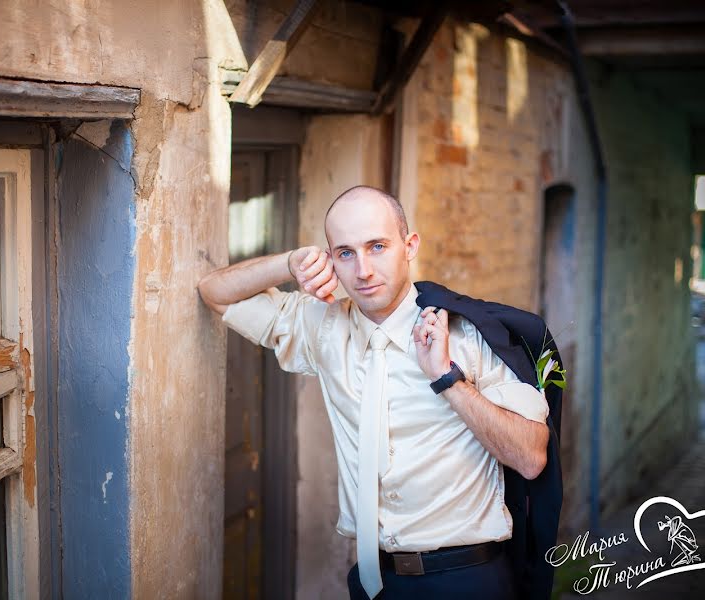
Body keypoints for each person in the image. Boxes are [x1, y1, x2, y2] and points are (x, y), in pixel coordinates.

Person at [197, 185, 550, 599]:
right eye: (345, 253)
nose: (362, 270)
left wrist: (448, 379)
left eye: (377, 246)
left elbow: (530, 458)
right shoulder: (321, 326)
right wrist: (289, 263)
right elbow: (214, 293)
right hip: (374, 582)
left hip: (465, 578)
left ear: (409, 245)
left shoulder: (467, 334)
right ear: (331, 260)